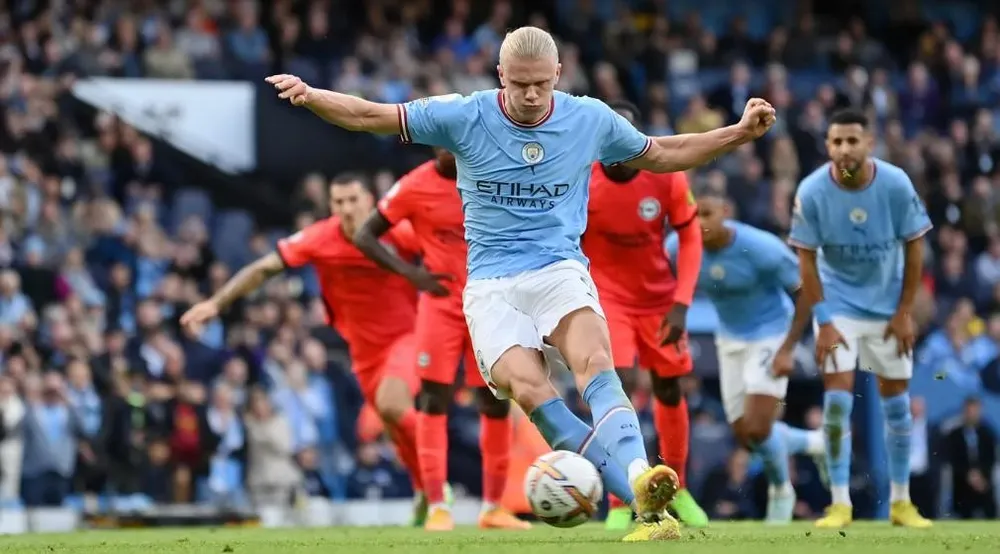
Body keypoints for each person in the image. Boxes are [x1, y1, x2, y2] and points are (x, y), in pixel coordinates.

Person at [265, 25, 775, 541]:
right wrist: (312, 96)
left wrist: (738, 133)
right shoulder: (465, 114)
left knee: (596, 361)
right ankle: (639, 499)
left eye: (541, 85)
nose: (531, 96)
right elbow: (370, 115)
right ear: (500, 76)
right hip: (490, 286)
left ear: (559, 75)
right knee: (531, 391)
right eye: (519, 84)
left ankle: (641, 476)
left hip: (558, 269)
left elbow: (664, 153)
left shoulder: (590, 118)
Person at [179, 174, 427, 522]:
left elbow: (443, 251)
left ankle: (437, 484)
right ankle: (425, 489)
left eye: (353, 200)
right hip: (362, 350)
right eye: (338, 202)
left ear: (370, 200)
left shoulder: (397, 232)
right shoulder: (321, 237)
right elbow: (264, 267)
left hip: (407, 337)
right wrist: (216, 303)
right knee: (391, 420)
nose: (347, 209)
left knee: (393, 404)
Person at [353, 148, 529, 531]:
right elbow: (364, 235)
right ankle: (437, 505)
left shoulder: (492, 175)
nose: (453, 145)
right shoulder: (414, 185)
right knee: (434, 399)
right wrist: (410, 273)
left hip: (489, 305)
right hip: (441, 307)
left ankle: (493, 508)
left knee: (495, 399)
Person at [785, 108, 933, 529]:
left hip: (888, 307)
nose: (845, 149)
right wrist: (824, 319)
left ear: (869, 143)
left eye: (853, 140)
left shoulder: (895, 183)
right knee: (836, 403)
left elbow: (915, 247)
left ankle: (901, 502)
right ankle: (839, 503)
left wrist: (905, 312)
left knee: (897, 405)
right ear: (827, 146)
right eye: (837, 141)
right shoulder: (812, 190)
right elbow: (806, 261)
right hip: (839, 307)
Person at [581, 100, 708, 530]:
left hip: (658, 301)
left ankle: (678, 488)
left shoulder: (666, 174)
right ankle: (622, 499)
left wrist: (682, 302)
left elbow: (691, 237)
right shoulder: (582, 176)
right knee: (616, 384)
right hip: (607, 298)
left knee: (669, 389)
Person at [668, 191, 826, 524]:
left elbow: (807, 291)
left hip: (771, 333)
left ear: (726, 211)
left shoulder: (761, 247)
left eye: (707, 213)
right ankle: (815, 442)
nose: (700, 223)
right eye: (693, 215)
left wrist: (788, 348)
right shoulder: (677, 247)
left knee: (757, 426)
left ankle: (781, 490)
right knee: (745, 434)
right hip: (729, 338)